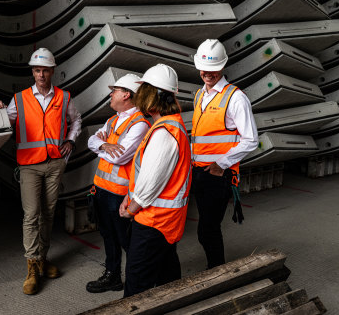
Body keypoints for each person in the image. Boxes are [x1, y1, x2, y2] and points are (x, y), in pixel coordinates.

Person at [0, 48, 82, 295]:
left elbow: (77, 120)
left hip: (54, 164)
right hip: (29, 165)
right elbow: (3, 122)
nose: (41, 74)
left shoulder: (64, 97)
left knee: (49, 214)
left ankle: (43, 259)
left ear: (52, 71)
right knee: (31, 215)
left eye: (45, 70)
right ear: (33, 72)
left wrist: (71, 142)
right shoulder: (19, 99)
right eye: (37, 70)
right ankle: (32, 266)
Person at [118, 64, 192, 297]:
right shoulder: (167, 126)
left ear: (155, 95)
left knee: (136, 286)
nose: (139, 96)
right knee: (167, 279)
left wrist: (132, 208)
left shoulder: (164, 133)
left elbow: (150, 184)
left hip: (154, 223)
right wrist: (129, 196)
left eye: (144, 90)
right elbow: (145, 174)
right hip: (164, 223)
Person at [190, 39, 258, 270]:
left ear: (223, 66)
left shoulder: (236, 98)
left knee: (207, 230)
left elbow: (251, 140)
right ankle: (216, 270)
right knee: (206, 230)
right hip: (198, 171)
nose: (207, 73)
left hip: (218, 175)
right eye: (203, 68)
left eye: (213, 68)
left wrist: (221, 163)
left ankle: (217, 272)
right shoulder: (200, 95)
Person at [85, 74, 151, 293]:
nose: (111, 94)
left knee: (127, 241)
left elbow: (120, 157)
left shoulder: (139, 124)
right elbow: (90, 140)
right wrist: (104, 145)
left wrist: (101, 145)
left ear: (127, 94)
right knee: (108, 236)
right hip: (101, 189)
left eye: (115, 90)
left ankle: (137, 283)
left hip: (120, 195)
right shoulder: (113, 119)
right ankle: (112, 276)